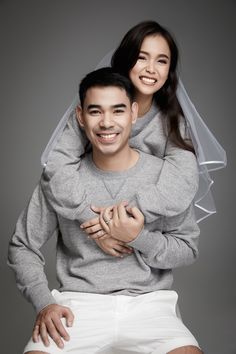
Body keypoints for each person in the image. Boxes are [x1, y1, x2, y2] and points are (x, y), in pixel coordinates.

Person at [8, 68, 202, 354]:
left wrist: (138, 237)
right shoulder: (62, 180)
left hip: (149, 305)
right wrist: (45, 302)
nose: (107, 123)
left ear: (134, 114)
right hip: (77, 305)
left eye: (118, 111)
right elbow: (22, 246)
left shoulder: (166, 178)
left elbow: (187, 248)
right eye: (95, 111)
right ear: (80, 117)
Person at [39, 21, 226, 258]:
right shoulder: (94, 109)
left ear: (169, 70)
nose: (151, 68)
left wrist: (123, 222)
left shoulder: (174, 122)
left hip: (142, 235)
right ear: (126, 59)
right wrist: (99, 227)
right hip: (85, 228)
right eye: (142, 57)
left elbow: (182, 182)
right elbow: (56, 169)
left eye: (162, 61)